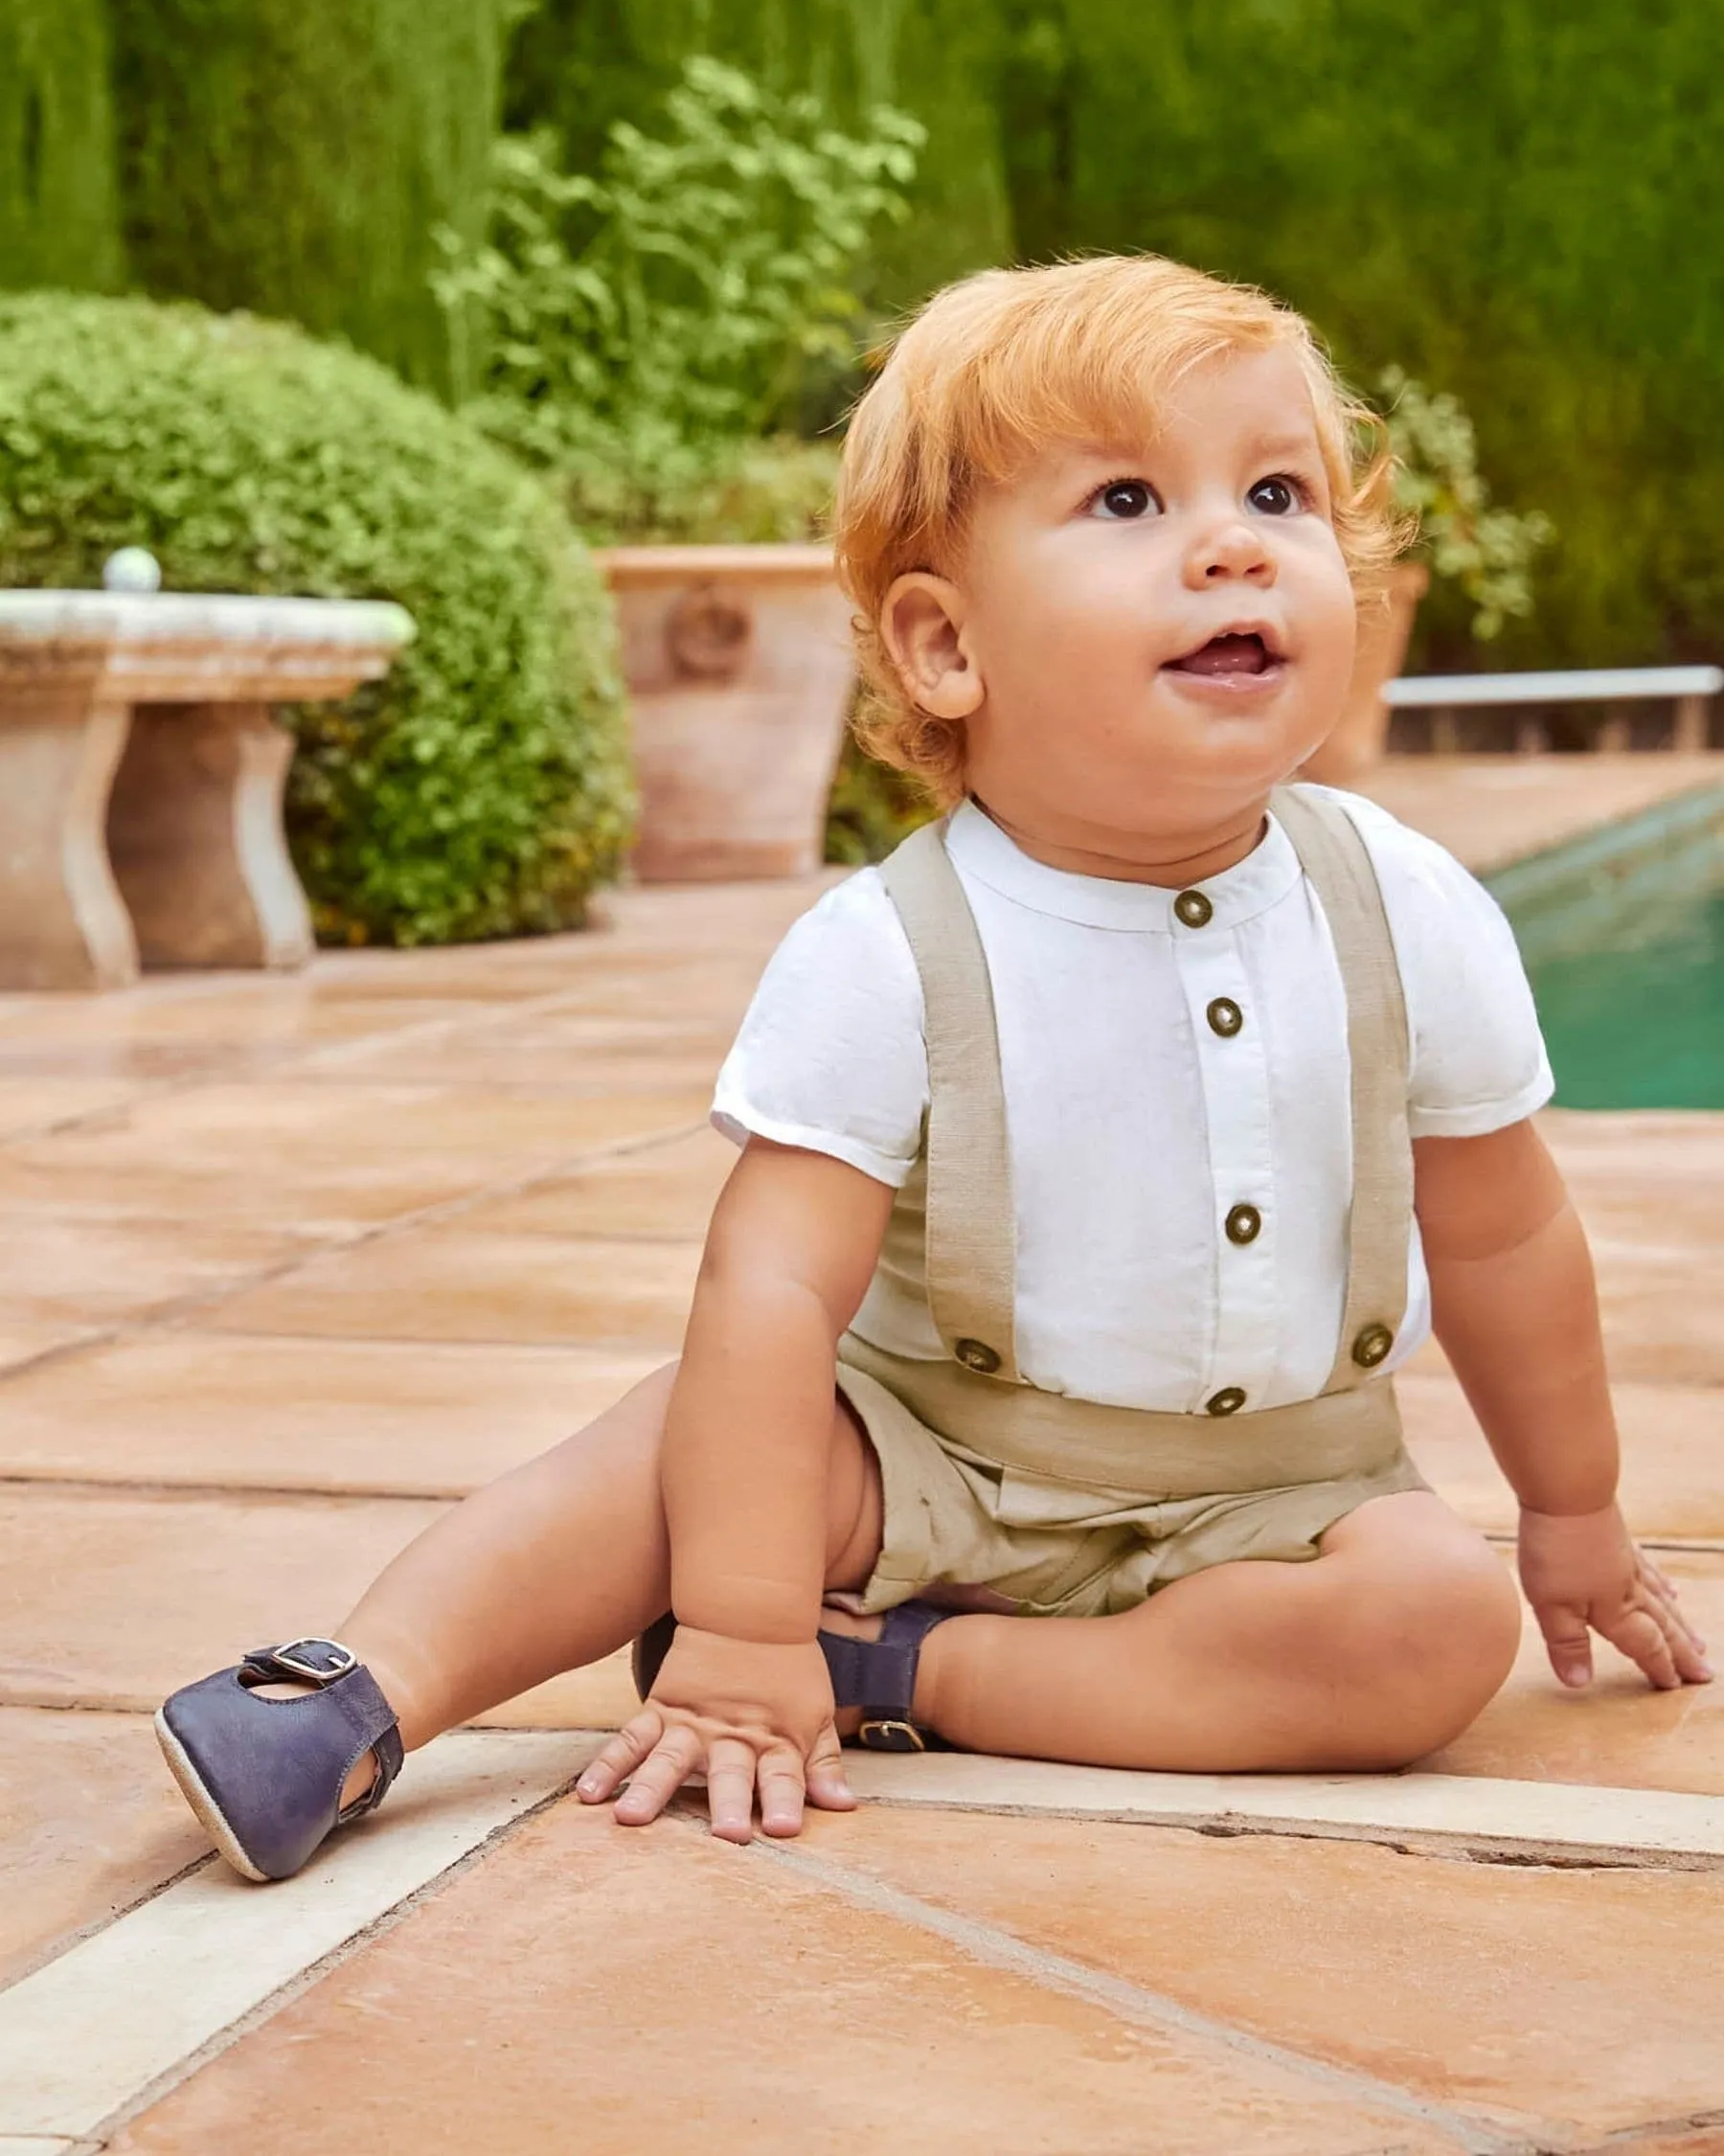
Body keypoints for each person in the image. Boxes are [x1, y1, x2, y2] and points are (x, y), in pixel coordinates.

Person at [155, 256, 1709, 1883]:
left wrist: (1577, 1509)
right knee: (684, 1442)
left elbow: (1504, 1233)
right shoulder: (891, 949)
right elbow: (771, 1299)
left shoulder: (1404, 907)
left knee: (1429, 1631)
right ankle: (360, 1693)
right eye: (1128, 498)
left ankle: (909, 1674)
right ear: (944, 645)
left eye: (1276, 491)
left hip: (1278, 1487)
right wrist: (742, 1619)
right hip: (923, 1451)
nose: (1235, 540)